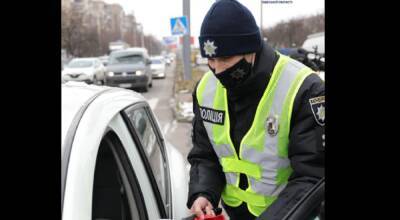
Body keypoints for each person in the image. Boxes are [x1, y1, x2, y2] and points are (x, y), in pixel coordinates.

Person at [186, 0, 325, 219]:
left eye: (225, 58)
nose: (218, 70)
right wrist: (203, 193)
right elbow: (204, 154)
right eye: (211, 59)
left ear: (251, 49)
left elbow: (313, 176)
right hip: (232, 213)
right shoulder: (205, 89)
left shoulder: (304, 88)